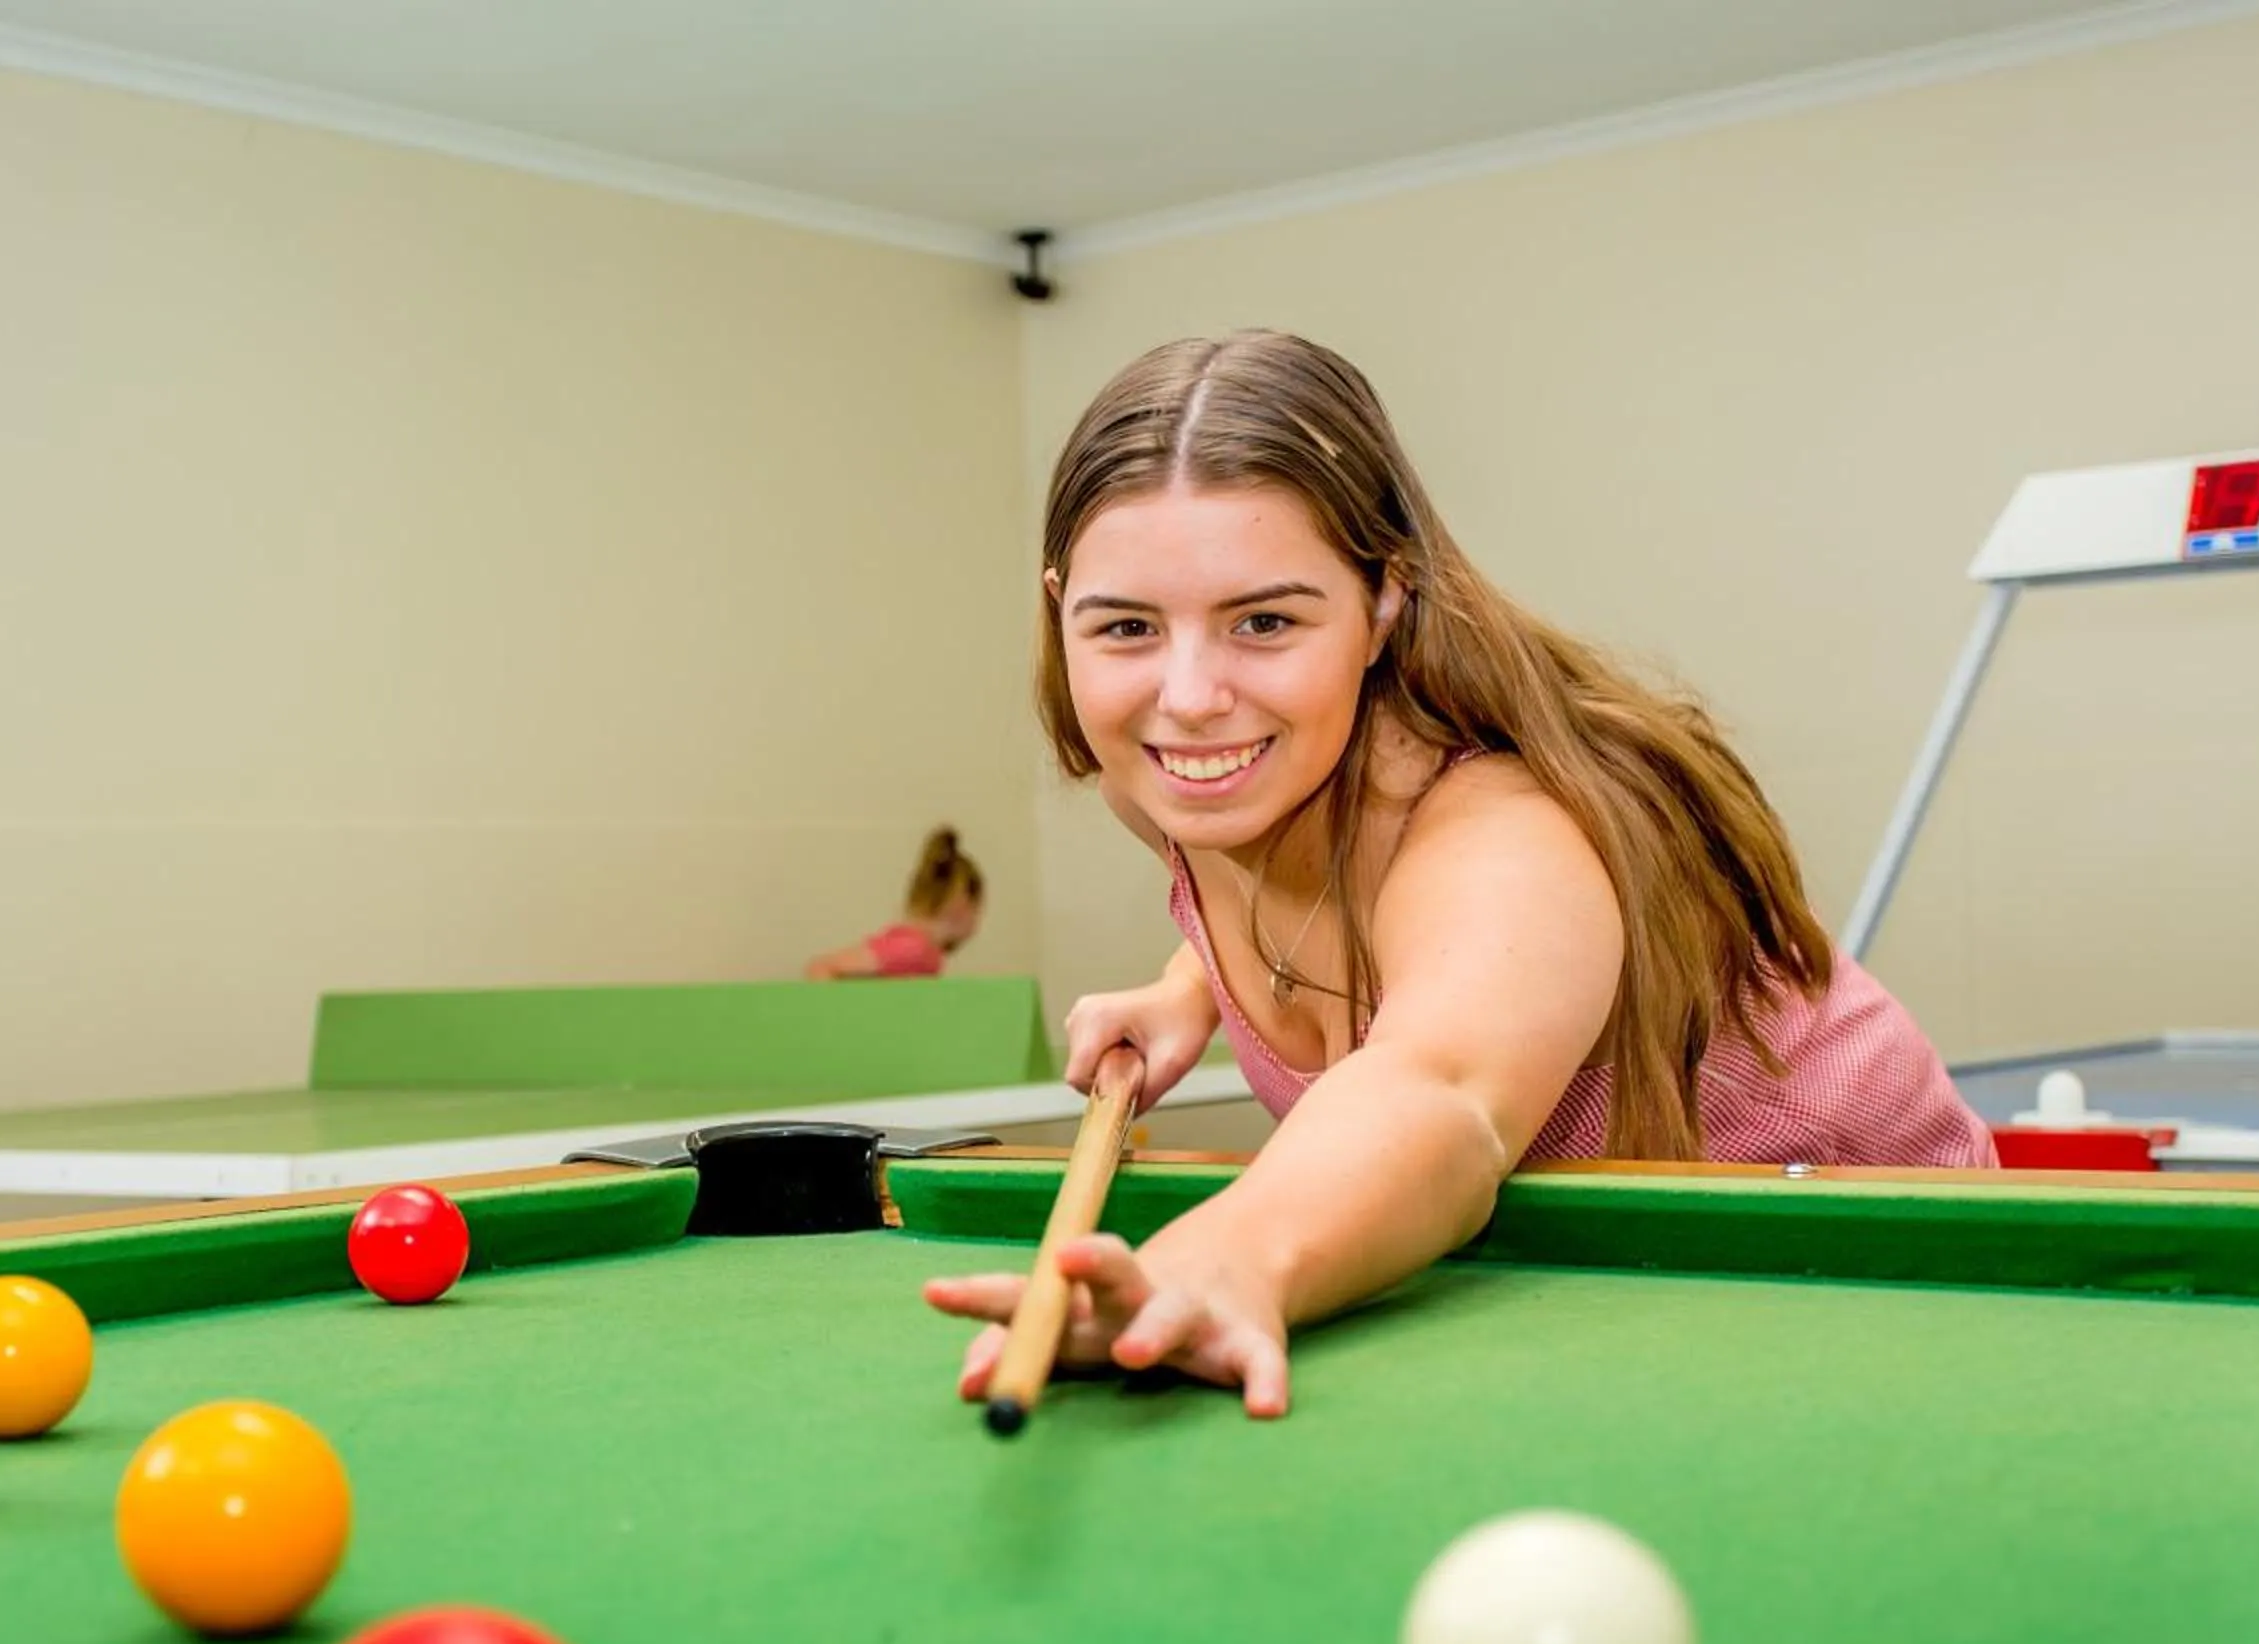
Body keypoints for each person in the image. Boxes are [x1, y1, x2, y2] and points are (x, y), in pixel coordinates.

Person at [930, 332, 1989, 1419]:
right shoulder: (1176, 784)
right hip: (1600, 1301)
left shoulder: (1502, 834)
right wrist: (1188, 983)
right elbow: (1294, 895)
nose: (1190, 693)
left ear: (1384, 600)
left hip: (1890, 1279)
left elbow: (1440, 1092)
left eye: (1264, 620)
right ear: (1061, 607)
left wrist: (1225, 1260)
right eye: (1127, 626)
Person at [804, 827, 985, 979]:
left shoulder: (925, 954)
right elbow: (822, 967)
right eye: (978, 908)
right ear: (961, 904)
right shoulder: (914, 950)